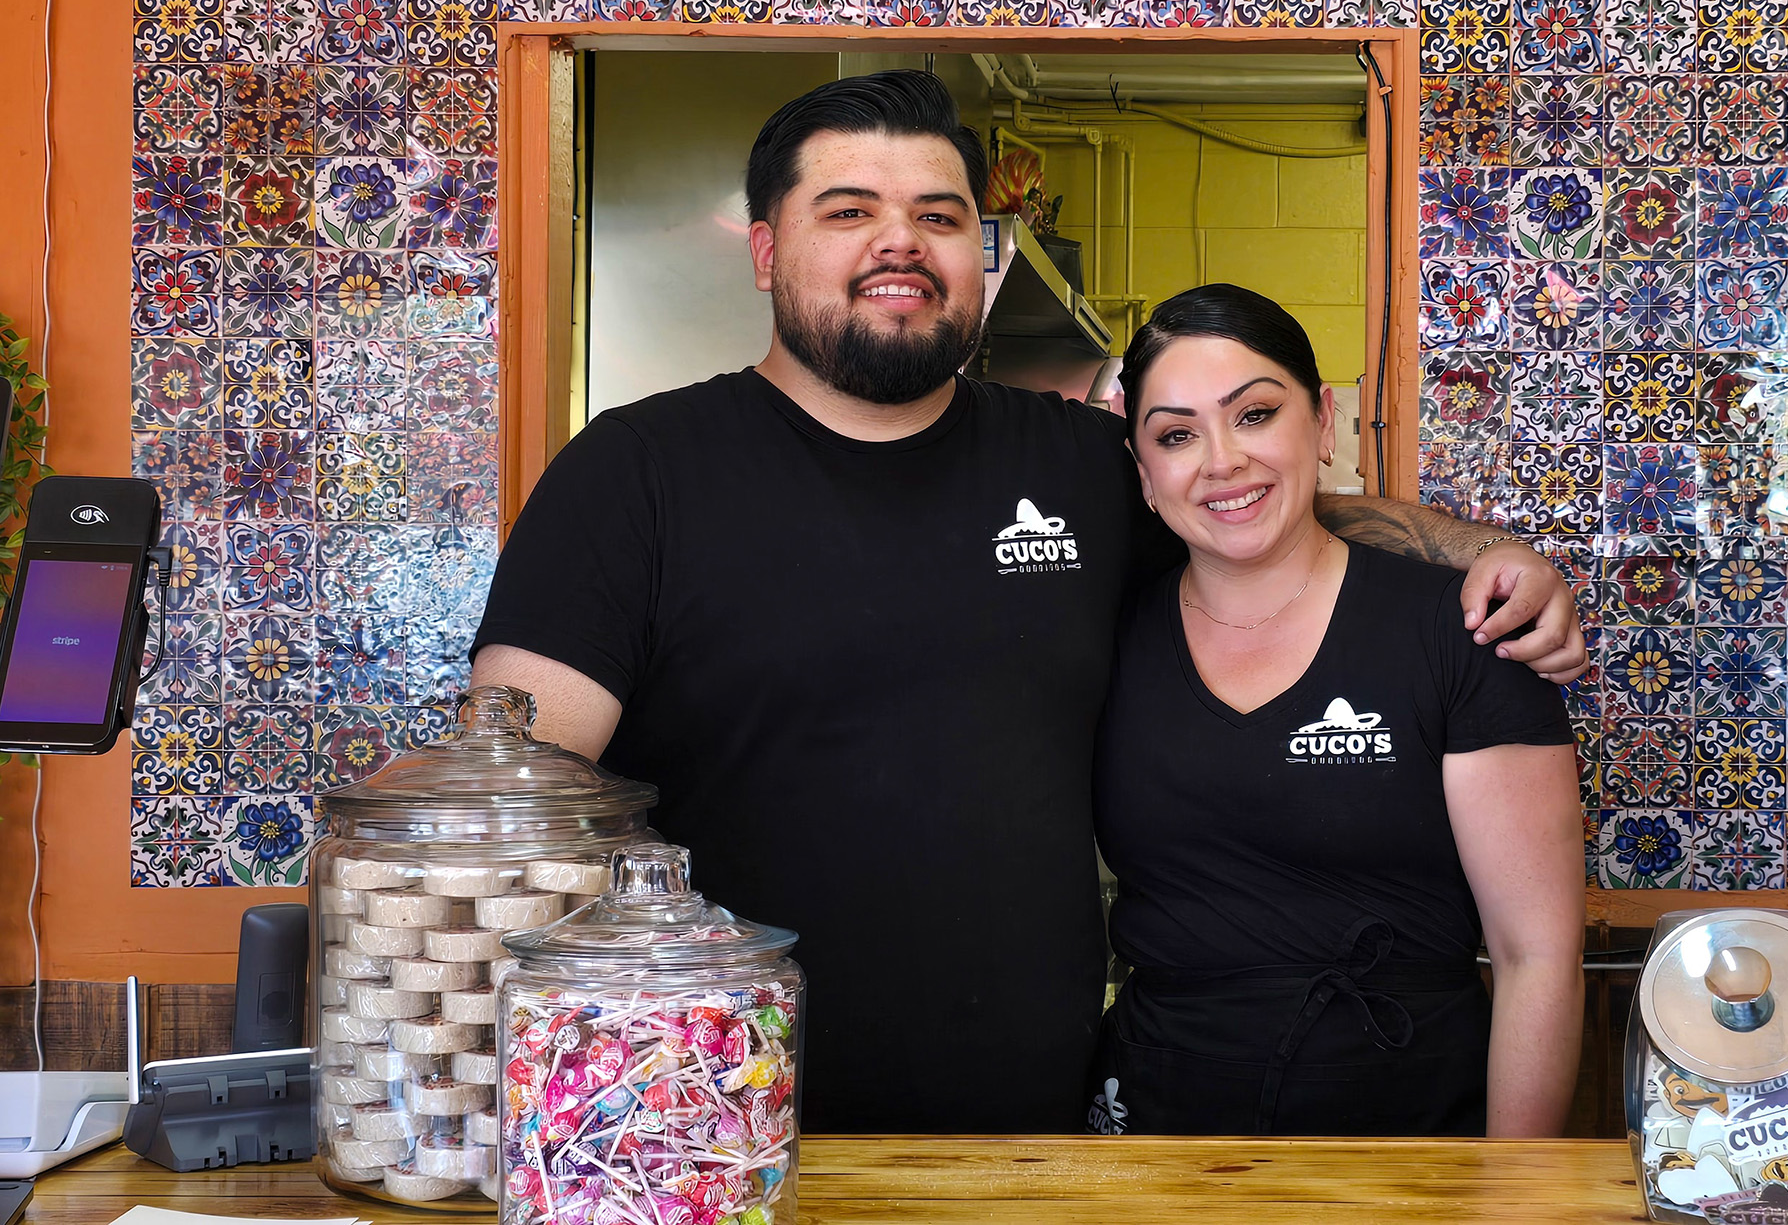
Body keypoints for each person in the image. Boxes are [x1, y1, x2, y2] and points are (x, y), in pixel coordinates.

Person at [470, 70, 1586, 1134]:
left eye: (939, 215)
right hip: (711, 1112)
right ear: (766, 251)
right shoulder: (633, 476)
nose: (899, 240)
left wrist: (1488, 551)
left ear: (978, 253)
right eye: (849, 209)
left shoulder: (1076, 464)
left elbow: (1252, 510)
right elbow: (506, 824)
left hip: (1037, 1116)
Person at [1087, 283, 1584, 1138]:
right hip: (1153, 1132)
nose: (1221, 461)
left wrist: (1516, 1193)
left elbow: (1536, 957)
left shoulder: (1463, 629)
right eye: (1175, 434)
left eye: (1254, 415)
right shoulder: (1101, 635)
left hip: (1412, 1130)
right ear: (1143, 471)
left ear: (1321, 421)